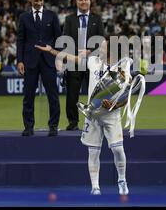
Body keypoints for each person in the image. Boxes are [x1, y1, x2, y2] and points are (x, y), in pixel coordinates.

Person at [35, 39, 132, 195]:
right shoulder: (93, 61)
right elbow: (71, 58)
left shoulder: (121, 67)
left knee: (118, 149)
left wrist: (113, 105)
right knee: (93, 152)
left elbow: (126, 95)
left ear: (111, 51)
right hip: (92, 115)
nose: (99, 50)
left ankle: (122, 180)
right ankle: (95, 187)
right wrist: (52, 51)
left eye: (102, 47)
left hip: (111, 115)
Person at [16, 0, 61, 137]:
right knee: (28, 96)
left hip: (49, 61)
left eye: (41, 0)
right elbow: (20, 41)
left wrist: (57, 57)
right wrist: (20, 61)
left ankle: (53, 126)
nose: (39, 3)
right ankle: (28, 127)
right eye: (36, 0)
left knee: (52, 95)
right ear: (30, 0)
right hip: (30, 62)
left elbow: (58, 38)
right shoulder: (23, 17)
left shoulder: (52, 16)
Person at [63, 0, 104, 130]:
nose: (83, 2)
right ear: (76, 2)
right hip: (74, 62)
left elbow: (101, 40)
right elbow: (65, 40)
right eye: (81, 0)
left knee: (94, 94)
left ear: (90, 1)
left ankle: (95, 122)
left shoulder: (97, 19)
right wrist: (76, 55)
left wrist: (90, 51)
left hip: (93, 63)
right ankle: (73, 122)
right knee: (72, 94)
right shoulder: (69, 19)